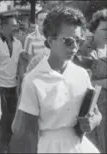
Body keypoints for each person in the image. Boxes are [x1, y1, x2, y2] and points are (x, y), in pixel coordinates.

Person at [10, 6, 102, 153]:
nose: (74, 47)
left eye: (79, 41)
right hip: (48, 147)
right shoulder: (33, 80)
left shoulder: (81, 74)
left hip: (78, 145)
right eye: (68, 41)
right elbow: (27, 133)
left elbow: (96, 114)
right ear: (51, 40)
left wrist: (92, 122)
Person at [74, 9, 107, 153]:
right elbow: (77, 81)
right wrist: (103, 83)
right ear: (94, 30)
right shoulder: (84, 51)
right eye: (104, 29)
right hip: (93, 109)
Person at [0, 15, 22, 153]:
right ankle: (1, 149)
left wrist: (21, 81)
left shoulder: (19, 43)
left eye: (16, 24)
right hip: (0, 87)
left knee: (13, 119)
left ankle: (10, 148)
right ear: (4, 27)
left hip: (13, 87)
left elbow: (19, 64)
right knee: (2, 119)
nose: (16, 27)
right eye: (13, 25)